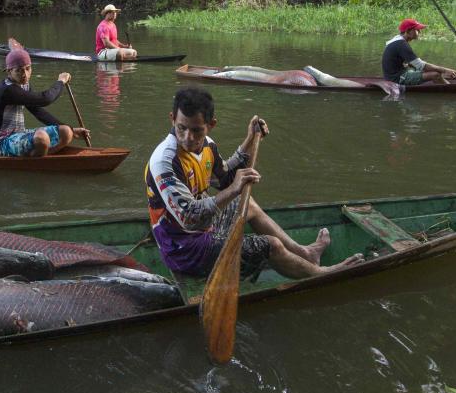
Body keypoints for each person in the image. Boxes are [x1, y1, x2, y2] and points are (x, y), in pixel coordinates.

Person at [144, 87, 363, 278]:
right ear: (172, 119)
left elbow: (225, 176)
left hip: (203, 229)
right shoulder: (165, 161)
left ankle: (306, 254)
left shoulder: (207, 146)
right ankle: (320, 274)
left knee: (248, 204)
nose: (188, 137)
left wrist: (249, 140)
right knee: (271, 245)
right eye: (182, 128)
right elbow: (189, 218)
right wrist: (233, 189)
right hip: (184, 249)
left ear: (211, 125)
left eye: (196, 130)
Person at [0, 46, 90, 157]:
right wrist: (60, 82)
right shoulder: (7, 90)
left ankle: (41, 155)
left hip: (19, 134)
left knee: (66, 132)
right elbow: (45, 99)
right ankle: (38, 160)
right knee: (41, 138)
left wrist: (72, 129)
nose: (24, 74)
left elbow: (38, 111)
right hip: (1, 144)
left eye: (27, 68)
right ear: (9, 72)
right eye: (19, 70)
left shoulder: (24, 85)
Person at [382, 18, 456, 85]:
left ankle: (442, 79)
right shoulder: (402, 44)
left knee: (428, 70)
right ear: (408, 31)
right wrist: (445, 70)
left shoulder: (397, 40)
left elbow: (413, 64)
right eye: (417, 30)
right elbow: (421, 65)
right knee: (435, 74)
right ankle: (452, 89)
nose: (420, 32)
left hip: (394, 75)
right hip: (396, 78)